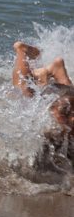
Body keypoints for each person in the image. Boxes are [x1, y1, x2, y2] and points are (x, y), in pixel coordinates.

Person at [12, 41, 73, 170]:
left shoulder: (64, 122)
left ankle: (58, 69)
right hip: (54, 101)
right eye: (66, 114)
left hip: (64, 99)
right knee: (24, 89)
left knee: (67, 94)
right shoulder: (46, 128)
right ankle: (22, 51)